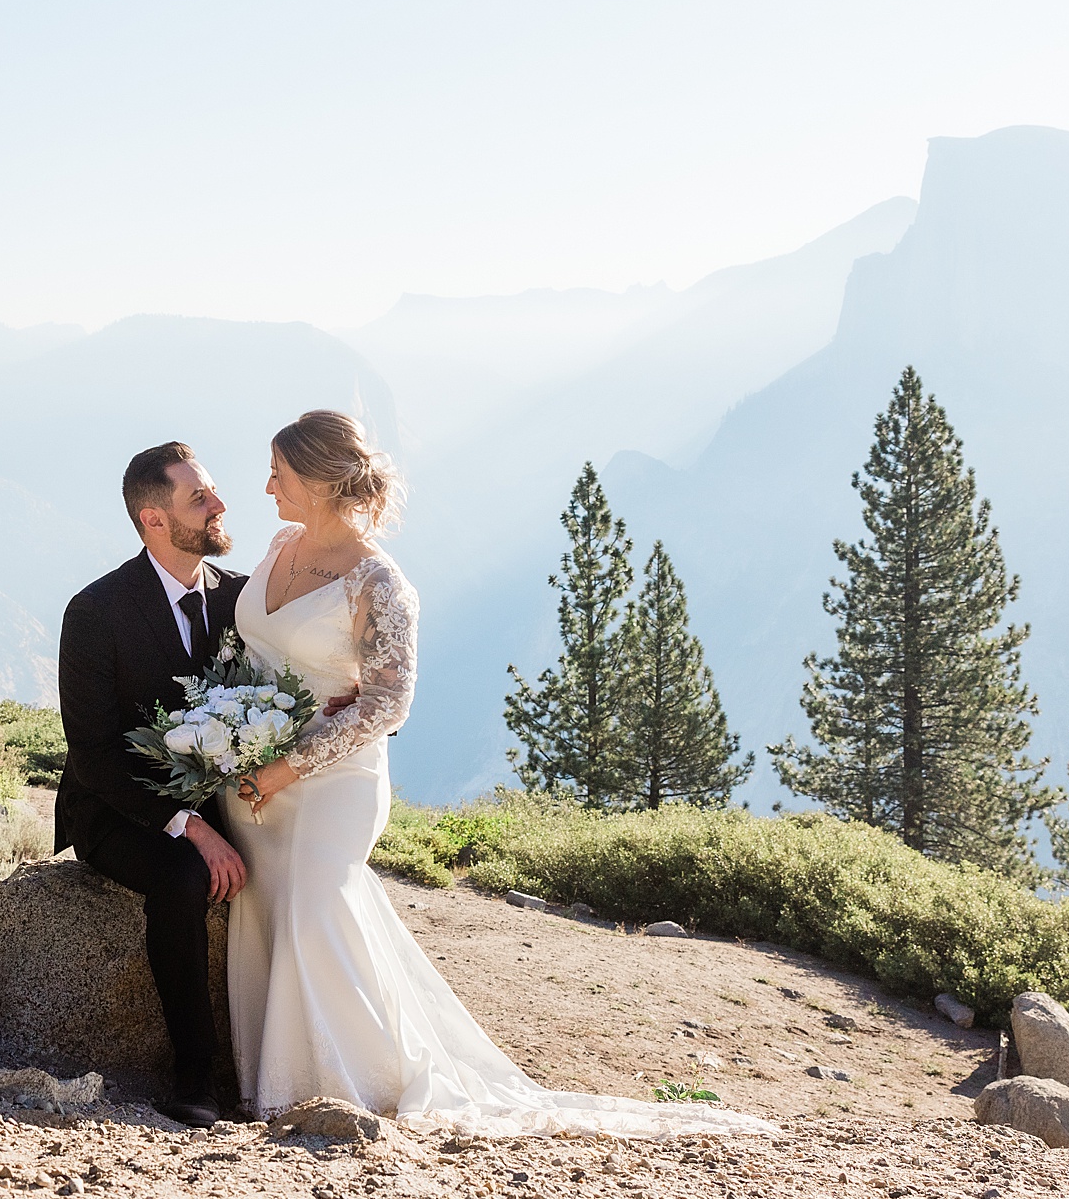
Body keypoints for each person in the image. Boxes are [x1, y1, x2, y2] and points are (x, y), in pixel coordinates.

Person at [222, 410, 779, 1140]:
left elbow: (388, 702)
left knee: (319, 910)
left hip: (329, 780)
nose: (265, 487)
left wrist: (286, 766)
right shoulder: (280, 545)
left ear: (323, 483)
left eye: (280, 474)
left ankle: (355, 1086)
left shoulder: (380, 583)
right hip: (255, 774)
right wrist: (230, 731)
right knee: (266, 913)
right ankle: (273, 1080)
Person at [54, 442, 251, 1129]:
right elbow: (95, 754)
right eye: (200, 498)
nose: (220, 504)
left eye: (214, 491)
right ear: (153, 519)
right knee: (183, 878)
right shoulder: (96, 612)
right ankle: (195, 1075)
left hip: (219, 796)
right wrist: (189, 826)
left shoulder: (242, 599)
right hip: (116, 809)